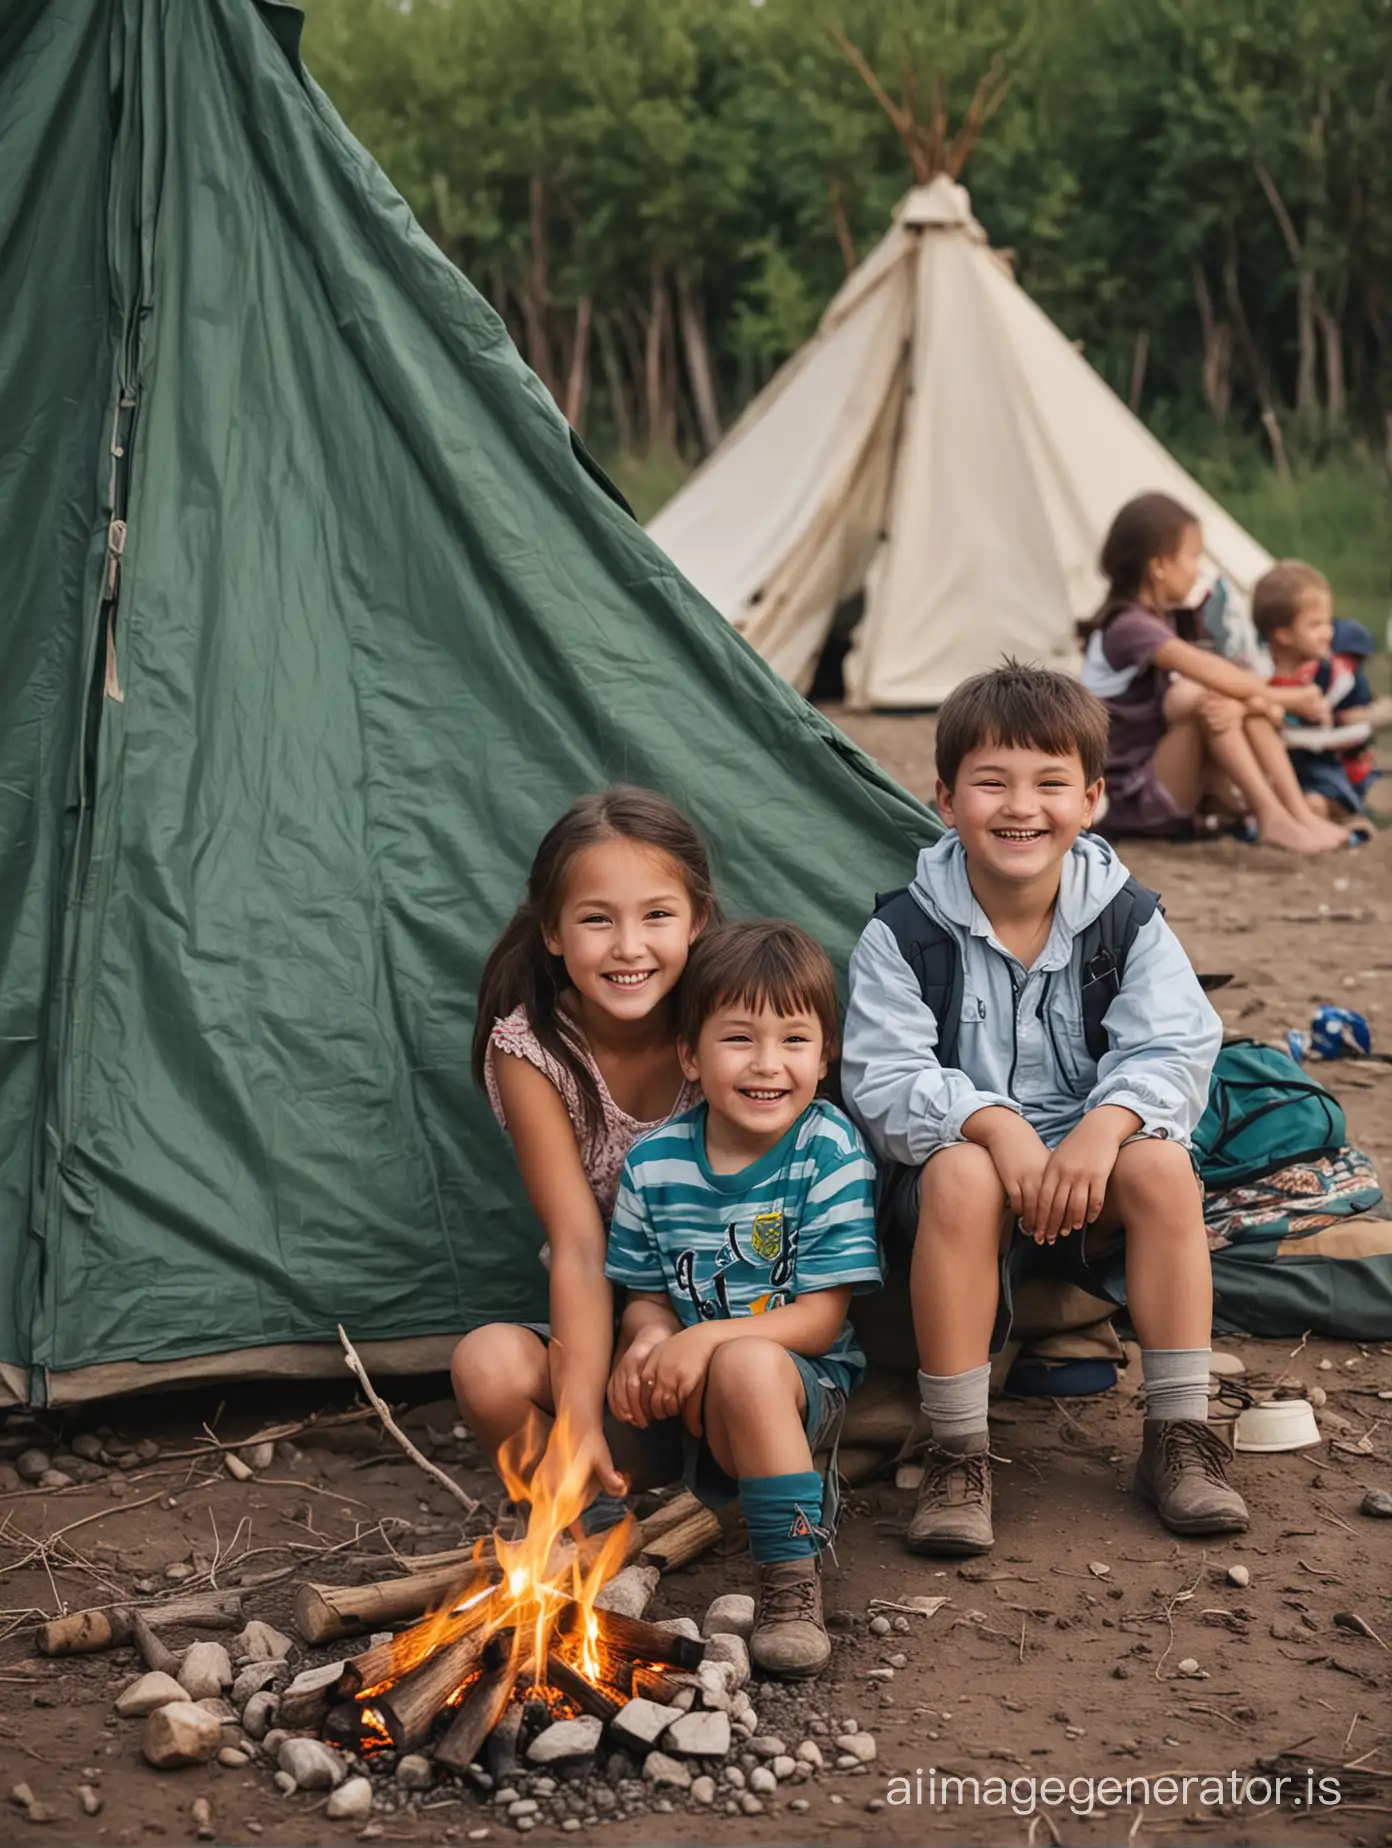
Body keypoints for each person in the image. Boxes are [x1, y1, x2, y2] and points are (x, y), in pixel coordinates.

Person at [841, 661, 1249, 1558]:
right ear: (946, 799)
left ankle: (1179, 1434)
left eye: (1050, 783)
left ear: (1093, 798)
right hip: (967, 1189)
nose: (1019, 807)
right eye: (991, 782)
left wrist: (1104, 1128)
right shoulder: (903, 933)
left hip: (1088, 1184)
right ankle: (957, 1449)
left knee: (1162, 1163)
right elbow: (882, 1077)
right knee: (956, 1173)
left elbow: (1177, 1047)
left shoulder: (1127, 920)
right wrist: (994, 1125)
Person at [604, 920, 882, 1677]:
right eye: (739, 1040)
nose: (768, 1065)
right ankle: (590, 1532)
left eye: (795, 1041)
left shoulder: (827, 1150)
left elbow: (821, 1323)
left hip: (796, 1385)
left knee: (751, 1363)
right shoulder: (654, 1165)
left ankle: (792, 1578)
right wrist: (650, 1338)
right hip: (690, 1391)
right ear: (690, 1054)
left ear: (826, 1056)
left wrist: (703, 1340)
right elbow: (646, 1295)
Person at [451, 786, 716, 1533]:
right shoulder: (533, 1051)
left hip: (726, 1340)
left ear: (696, 919)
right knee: (486, 1363)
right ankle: (588, 1505)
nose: (628, 947)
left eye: (656, 916)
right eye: (598, 919)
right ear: (554, 933)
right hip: (613, 1359)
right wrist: (576, 1418)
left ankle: (756, 1483)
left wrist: (667, 1329)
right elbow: (577, 1245)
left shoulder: (728, 1021)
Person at [1081, 492, 1354, 852]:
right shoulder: (1129, 627)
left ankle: (1296, 813)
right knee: (1210, 695)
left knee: (1220, 699)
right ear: (1159, 565)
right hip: (1134, 798)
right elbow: (1215, 675)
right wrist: (1289, 697)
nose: (1199, 569)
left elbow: (1220, 686)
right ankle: (1272, 815)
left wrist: (1256, 702)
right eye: (1193, 557)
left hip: (1168, 776)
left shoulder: (1163, 619)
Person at [1255, 559, 1383, 823]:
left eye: (1327, 623)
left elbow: (1356, 716)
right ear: (1283, 635)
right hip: (1273, 762)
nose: (1328, 633)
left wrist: (1351, 718)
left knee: (1317, 799)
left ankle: (1324, 810)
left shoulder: (1335, 676)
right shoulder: (1258, 672)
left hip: (1322, 762)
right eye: (1315, 625)